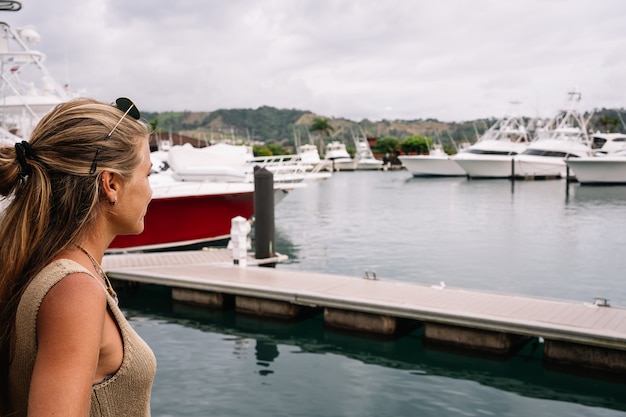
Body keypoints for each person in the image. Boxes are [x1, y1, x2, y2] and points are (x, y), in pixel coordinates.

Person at [0, 97, 156, 417]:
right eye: (148, 175)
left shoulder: (39, 265)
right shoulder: (75, 289)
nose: (152, 191)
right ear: (110, 184)